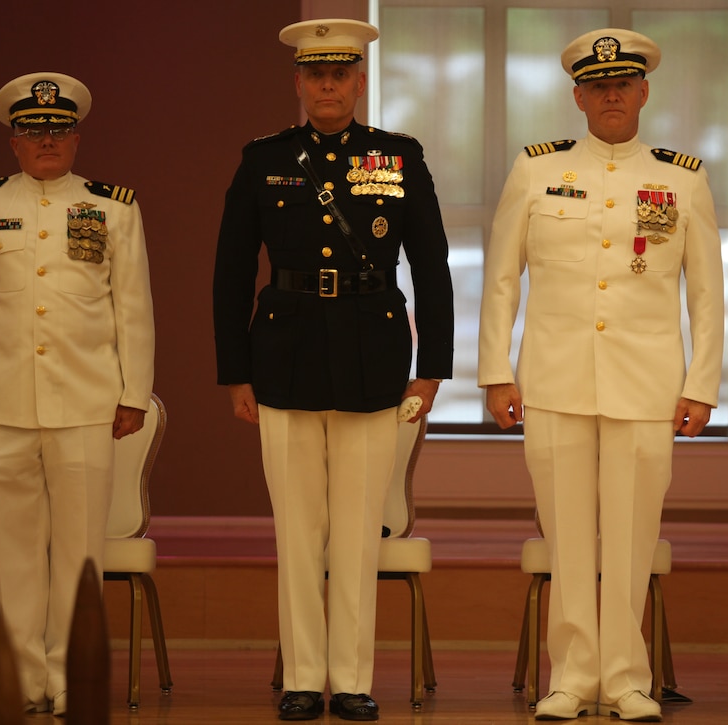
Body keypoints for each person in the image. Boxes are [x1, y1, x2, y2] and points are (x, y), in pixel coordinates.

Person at [478, 28, 724, 722]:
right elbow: (502, 278)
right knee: (565, 533)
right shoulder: (535, 169)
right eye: (599, 85)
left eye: (624, 84)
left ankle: (625, 677)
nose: (612, 95)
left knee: (631, 536)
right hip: (554, 378)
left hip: (647, 383)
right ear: (579, 95)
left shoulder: (683, 176)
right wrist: (496, 371)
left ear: (644, 91)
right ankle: (571, 675)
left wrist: (702, 382)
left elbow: (707, 294)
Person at [212, 18, 454, 722]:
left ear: (359, 80)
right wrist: (236, 373)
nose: (327, 85)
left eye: (339, 73)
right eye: (314, 74)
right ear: (298, 83)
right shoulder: (263, 160)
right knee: (296, 530)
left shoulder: (398, 157)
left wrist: (432, 367)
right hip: (280, 358)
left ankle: (349, 678)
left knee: (357, 531)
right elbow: (231, 273)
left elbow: (431, 268)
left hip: (373, 359)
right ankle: (300, 678)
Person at [0, 71, 156, 715]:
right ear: (13, 142)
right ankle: (20, 676)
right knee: (9, 551)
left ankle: (67, 675)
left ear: (77, 137)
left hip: (86, 404)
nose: (46, 142)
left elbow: (133, 309)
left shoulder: (112, 206)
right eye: (33, 133)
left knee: (79, 551)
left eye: (58, 131)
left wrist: (133, 393)